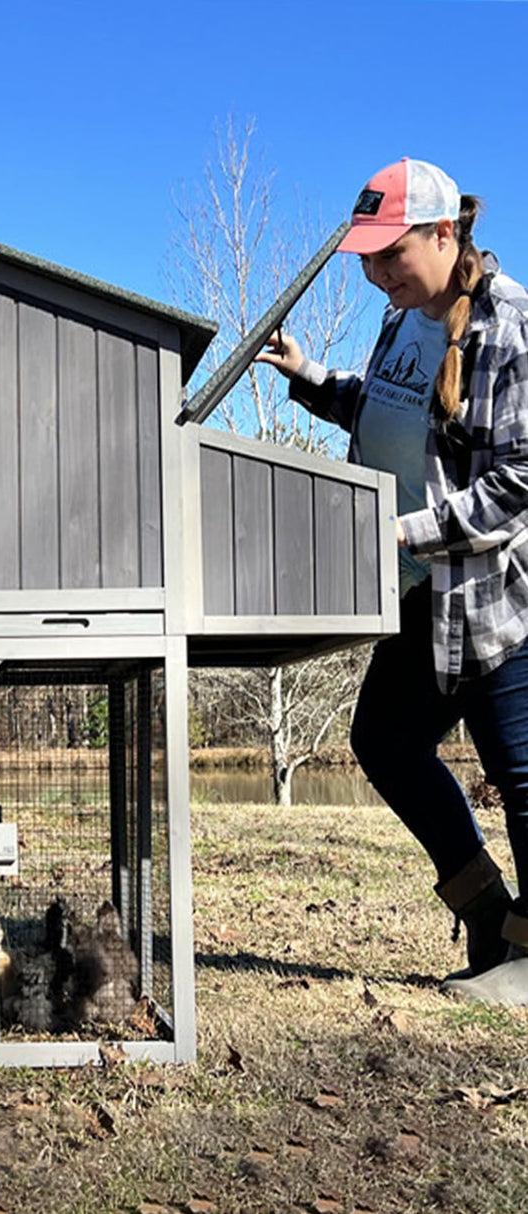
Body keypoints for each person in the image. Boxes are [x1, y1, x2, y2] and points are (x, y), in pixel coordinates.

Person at [255, 158, 528, 1004]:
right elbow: (386, 407)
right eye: (367, 258)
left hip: (491, 600)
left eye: (391, 254)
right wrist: (309, 381)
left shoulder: (509, 326)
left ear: (446, 234)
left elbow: (517, 480)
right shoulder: (402, 315)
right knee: (383, 741)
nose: (376, 272)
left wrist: (397, 530)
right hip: (413, 593)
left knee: (521, 778)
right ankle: (490, 915)